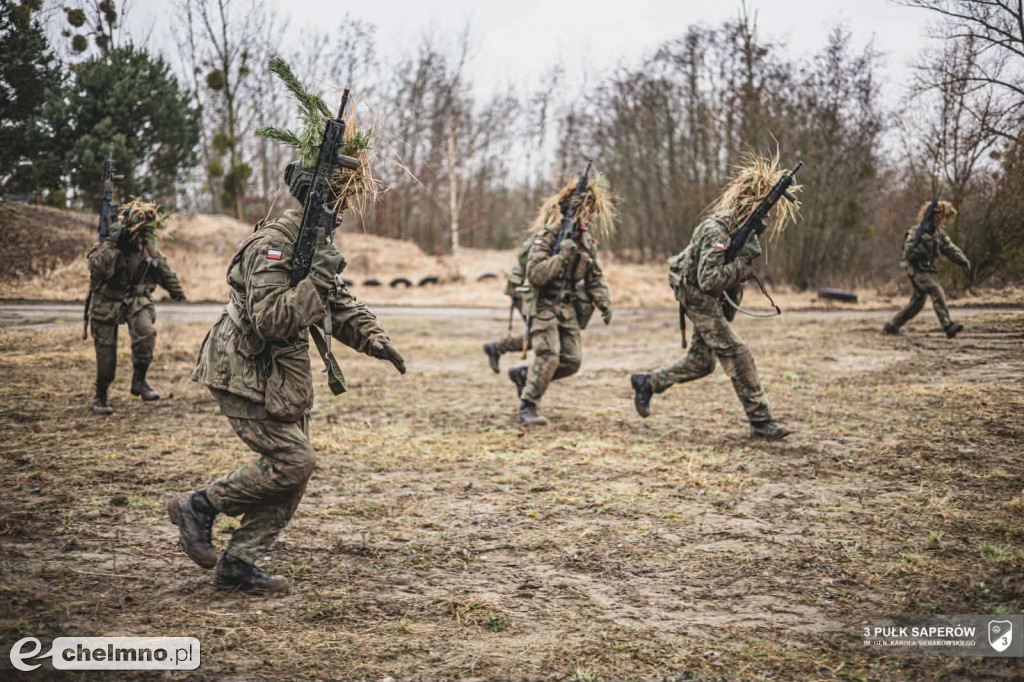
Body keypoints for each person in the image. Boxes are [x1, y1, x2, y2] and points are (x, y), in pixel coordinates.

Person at [168, 163, 406, 594]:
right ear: (317, 203)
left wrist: (375, 339)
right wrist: (317, 277)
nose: (340, 215)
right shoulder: (275, 244)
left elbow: (337, 303)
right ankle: (199, 505)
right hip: (243, 368)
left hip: (280, 375)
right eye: (335, 205)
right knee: (295, 460)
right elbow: (269, 320)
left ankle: (239, 563)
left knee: (294, 469)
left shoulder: (311, 244)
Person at [630, 153, 797, 440]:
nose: (768, 216)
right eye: (764, 210)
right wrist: (743, 265)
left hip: (708, 296)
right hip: (697, 295)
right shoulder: (715, 231)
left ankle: (648, 383)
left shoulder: (743, 230)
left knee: (701, 363)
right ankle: (761, 421)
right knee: (738, 353)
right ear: (747, 207)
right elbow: (708, 280)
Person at [507, 180, 614, 426]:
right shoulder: (547, 237)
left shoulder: (587, 242)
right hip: (543, 306)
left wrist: (604, 301)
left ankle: (526, 376)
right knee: (549, 355)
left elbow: (595, 277)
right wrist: (561, 256)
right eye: (585, 216)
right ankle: (528, 405)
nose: (589, 221)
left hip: (567, 308)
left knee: (572, 361)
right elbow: (535, 274)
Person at [86, 199, 185, 415]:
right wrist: (112, 244)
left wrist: (177, 291)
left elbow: (162, 267)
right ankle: (100, 395)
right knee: (106, 355)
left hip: (135, 300)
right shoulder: (109, 243)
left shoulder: (145, 244)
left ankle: (139, 381)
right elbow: (99, 269)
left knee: (146, 333)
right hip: (107, 301)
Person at [884, 200, 970, 338]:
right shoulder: (917, 232)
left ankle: (892, 326)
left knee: (917, 303)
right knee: (936, 290)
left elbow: (950, 249)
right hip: (914, 268)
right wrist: (918, 249)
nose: (942, 220)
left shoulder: (937, 233)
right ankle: (947, 326)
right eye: (941, 216)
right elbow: (908, 253)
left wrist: (963, 261)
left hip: (924, 269)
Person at [483, 236, 536, 373]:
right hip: (522, 289)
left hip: (525, 287)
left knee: (544, 335)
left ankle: (497, 348)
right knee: (540, 334)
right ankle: (498, 348)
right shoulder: (547, 236)